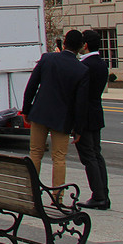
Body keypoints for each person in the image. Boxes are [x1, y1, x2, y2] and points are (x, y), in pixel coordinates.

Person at [22, 29, 89, 193]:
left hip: (40, 112)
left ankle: (32, 191)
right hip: (63, 118)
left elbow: (31, 86)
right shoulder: (82, 70)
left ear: (64, 42)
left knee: (35, 153)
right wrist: (78, 128)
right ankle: (57, 196)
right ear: (80, 47)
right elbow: (81, 104)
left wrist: (26, 109)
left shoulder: (47, 59)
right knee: (59, 158)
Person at [76, 30, 111, 209]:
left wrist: (77, 125)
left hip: (86, 116)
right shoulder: (102, 64)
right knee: (96, 154)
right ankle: (103, 193)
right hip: (96, 112)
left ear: (86, 45)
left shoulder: (85, 65)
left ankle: (98, 195)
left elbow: (80, 95)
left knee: (88, 156)